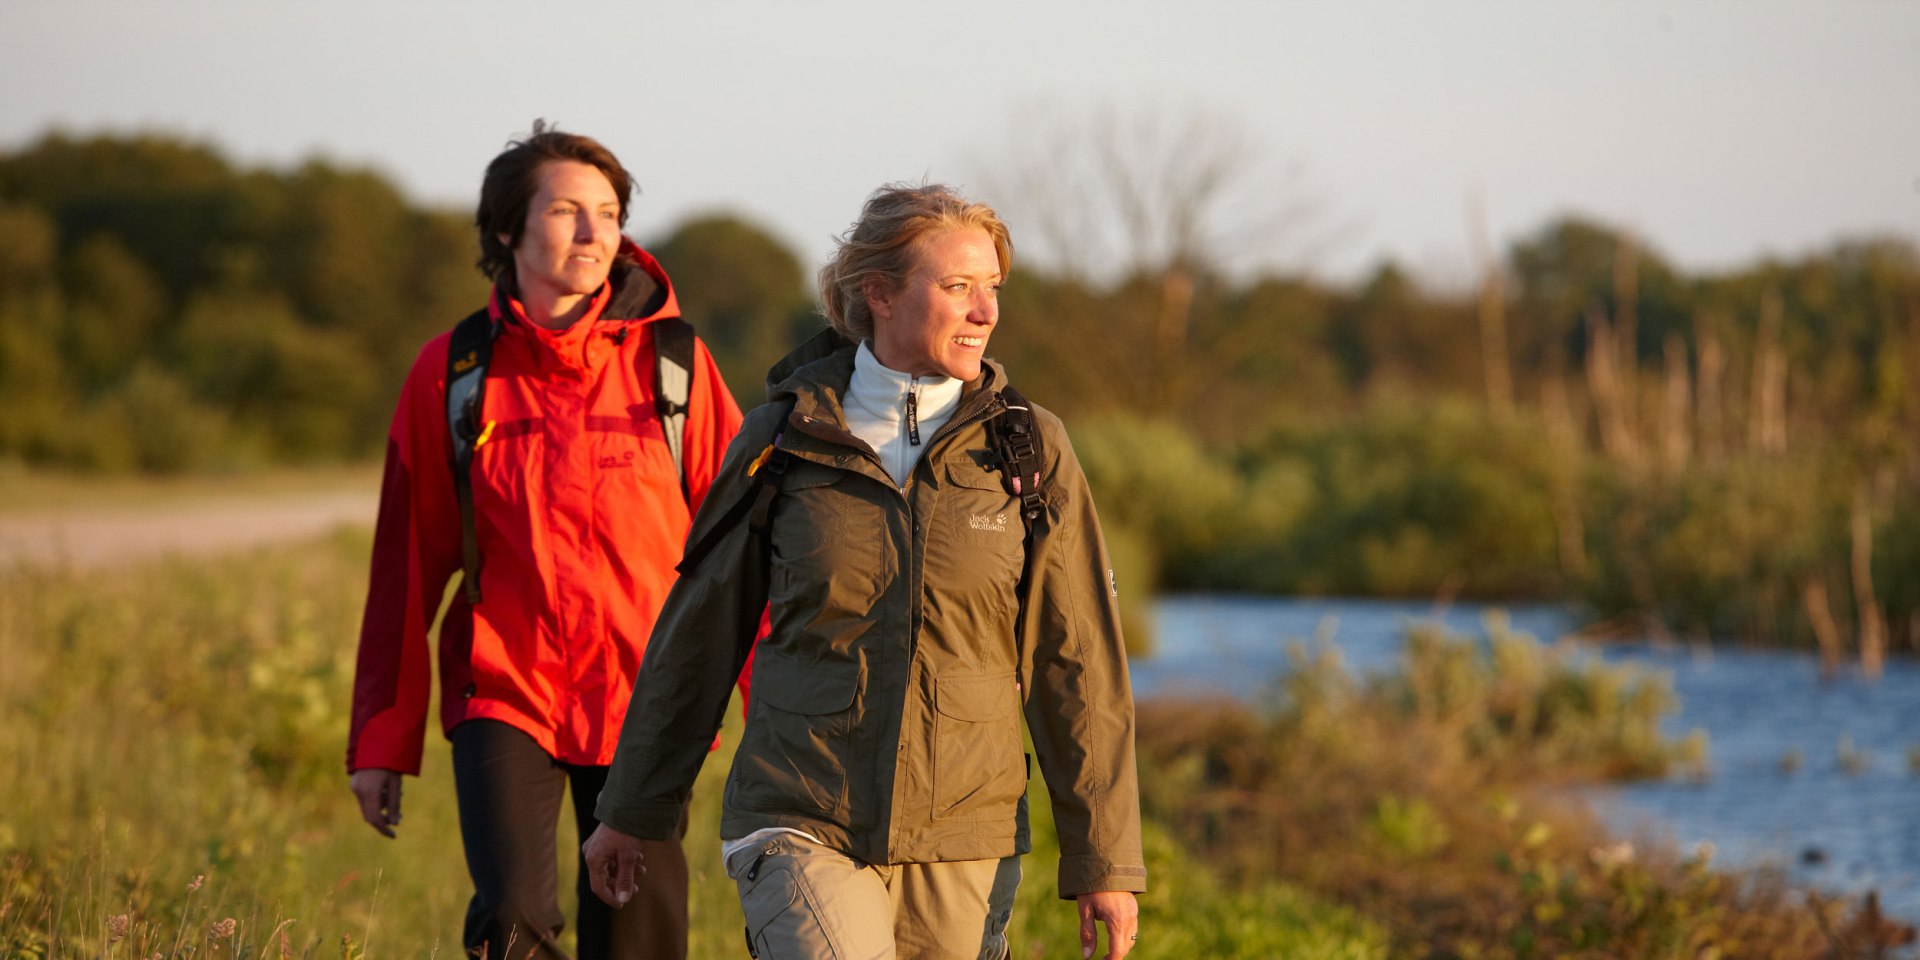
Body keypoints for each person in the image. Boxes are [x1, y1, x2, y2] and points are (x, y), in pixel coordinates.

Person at [583, 183, 1146, 960]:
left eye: (992, 289)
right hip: (799, 812)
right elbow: (698, 633)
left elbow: (1076, 663)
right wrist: (634, 807)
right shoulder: (784, 437)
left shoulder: (1029, 450)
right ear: (877, 293)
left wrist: (1104, 861)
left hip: (965, 833)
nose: (985, 312)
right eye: (957, 288)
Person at [345, 122, 745, 960]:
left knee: (635, 937)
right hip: (504, 687)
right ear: (506, 231)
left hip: (649, 698)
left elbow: (743, 549)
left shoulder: (677, 365)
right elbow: (404, 575)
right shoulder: (452, 374)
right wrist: (380, 741)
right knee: (511, 924)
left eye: (608, 212)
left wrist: (774, 711)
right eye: (567, 212)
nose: (597, 234)